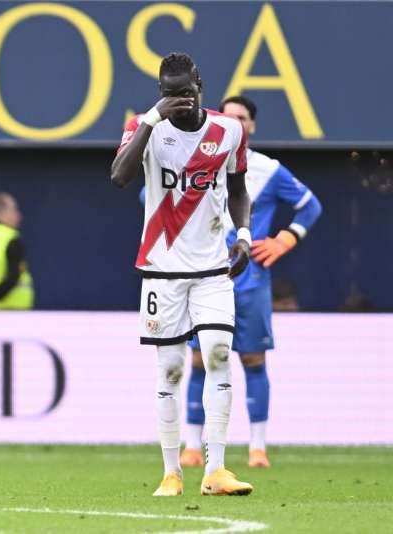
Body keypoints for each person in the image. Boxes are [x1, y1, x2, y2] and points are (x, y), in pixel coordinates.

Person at [111, 52, 253, 496]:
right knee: (171, 368)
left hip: (212, 267)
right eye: (171, 96)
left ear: (200, 87)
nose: (181, 103)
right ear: (160, 94)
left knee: (216, 355)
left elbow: (237, 188)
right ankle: (172, 471)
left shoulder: (228, 130)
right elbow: (119, 176)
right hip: (161, 270)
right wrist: (152, 120)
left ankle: (217, 470)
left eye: (187, 94)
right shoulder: (143, 128)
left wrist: (244, 234)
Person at [181, 96, 322, 470]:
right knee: (199, 360)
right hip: (203, 276)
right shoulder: (195, 163)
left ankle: (257, 447)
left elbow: (311, 205)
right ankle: (192, 445)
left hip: (250, 280)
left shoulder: (269, 170)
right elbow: (154, 195)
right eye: (226, 117)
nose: (234, 123)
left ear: (252, 126)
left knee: (254, 359)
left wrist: (285, 238)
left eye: (241, 118)